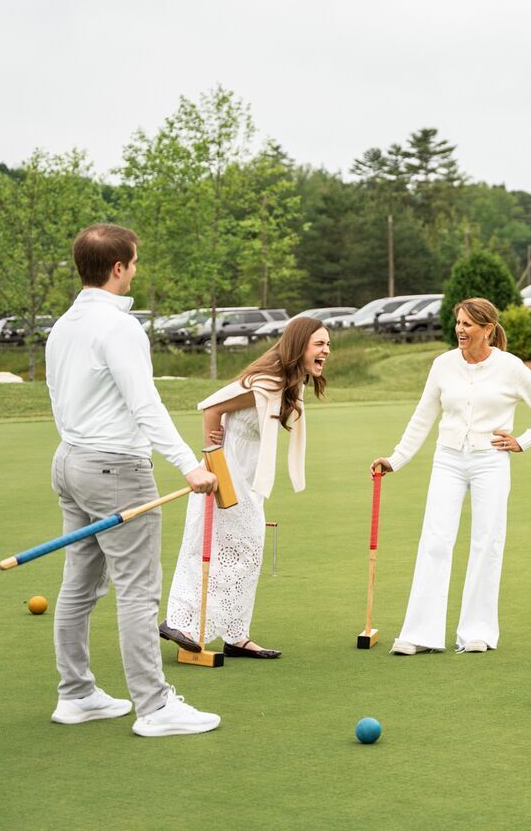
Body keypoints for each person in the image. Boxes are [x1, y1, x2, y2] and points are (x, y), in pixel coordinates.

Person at [44, 224, 221, 737]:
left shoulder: (63, 325)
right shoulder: (119, 328)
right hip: (116, 469)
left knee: (79, 584)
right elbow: (146, 405)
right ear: (118, 267)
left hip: (71, 461)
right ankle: (155, 707)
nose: (136, 269)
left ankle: (76, 695)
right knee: (138, 592)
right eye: (134, 262)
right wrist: (190, 465)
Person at [371, 298, 531, 654]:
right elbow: (422, 418)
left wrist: (523, 441)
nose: (460, 329)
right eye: (458, 323)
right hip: (447, 459)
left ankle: (477, 633)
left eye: (468, 325)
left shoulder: (510, 367)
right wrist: (395, 459)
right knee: (435, 540)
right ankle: (420, 635)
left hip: (491, 460)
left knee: (486, 542)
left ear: (488, 329)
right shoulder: (442, 365)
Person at [161, 317, 329, 659]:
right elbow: (211, 408)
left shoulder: (288, 382)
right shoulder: (264, 380)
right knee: (211, 544)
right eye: (320, 344)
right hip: (228, 469)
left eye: (328, 345)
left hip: (250, 474)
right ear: (300, 345)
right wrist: (213, 458)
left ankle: (236, 635)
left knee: (248, 549)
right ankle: (180, 623)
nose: (326, 351)